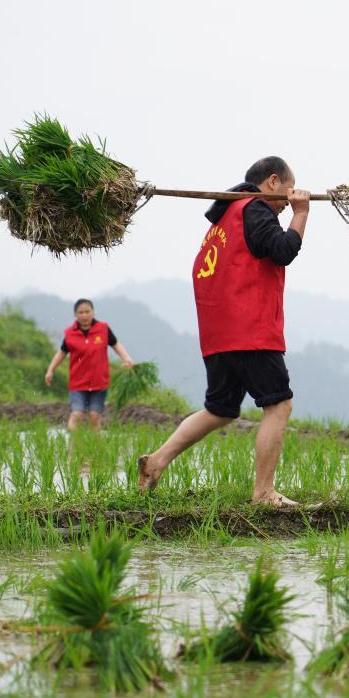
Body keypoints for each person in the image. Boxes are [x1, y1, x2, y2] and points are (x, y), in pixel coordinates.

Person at [137, 156, 311, 507]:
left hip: (218, 337)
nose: (287, 202)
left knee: (221, 409)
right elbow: (282, 250)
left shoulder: (222, 223)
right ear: (274, 182)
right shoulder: (256, 208)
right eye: (288, 192)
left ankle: (156, 462)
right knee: (279, 405)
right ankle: (263, 492)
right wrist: (301, 214)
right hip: (250, 330)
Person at [44, 298, 135, 430]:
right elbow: (62, 353)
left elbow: (115, 344)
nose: (84, 315)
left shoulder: (103, 329)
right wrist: (50, 370)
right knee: (76, 414)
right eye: (81, 312)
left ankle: (95, 447)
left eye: (87, 311)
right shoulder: (70, 334)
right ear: (75, 314)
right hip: (78, 383)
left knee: (94, 416)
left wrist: (127, 359)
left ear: (93, 313)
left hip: (99, 382)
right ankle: (73, 446)